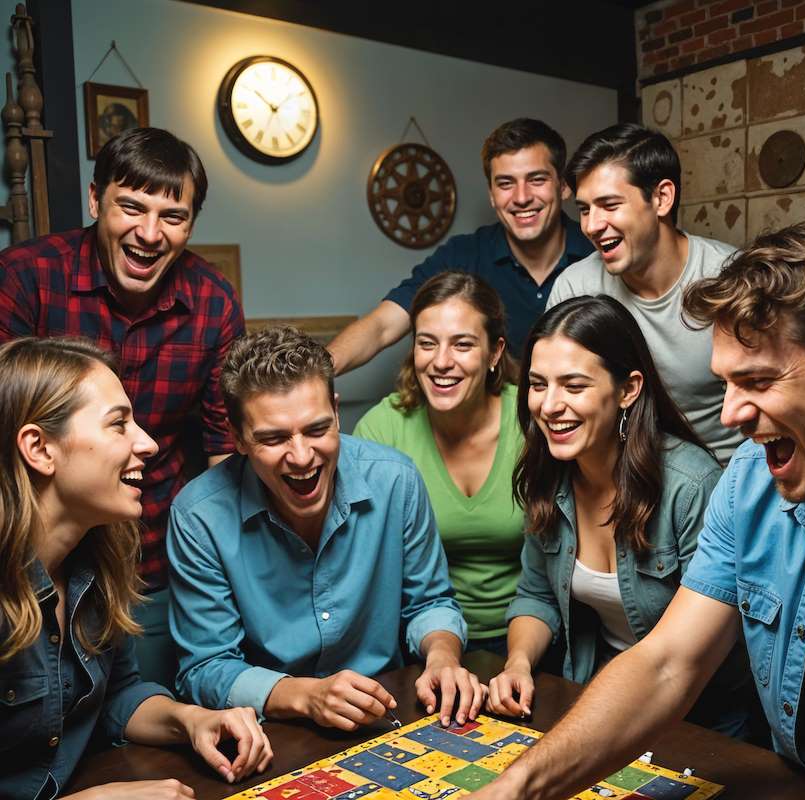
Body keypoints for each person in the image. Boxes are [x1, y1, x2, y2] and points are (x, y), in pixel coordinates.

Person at [466, 221, 805, 800]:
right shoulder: (751, 479)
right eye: (725, 382)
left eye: (758, 381)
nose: (730, 415)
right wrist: (516, 789)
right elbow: (667, 664)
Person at [0, 127, 245, 686]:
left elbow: (220, 453)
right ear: (94, 200)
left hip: (150, 564)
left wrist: (225, 578)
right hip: (21, 563)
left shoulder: (213, 301)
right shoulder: (24, 277)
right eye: (130, 207)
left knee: (133, 710)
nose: (149, 233)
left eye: (173, 216)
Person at [168, 326, 484, 732]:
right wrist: (305, 695)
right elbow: (206, 667)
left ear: (336, 412)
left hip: (388, 710)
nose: (301, 457)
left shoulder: (396, 480)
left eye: (317, 429)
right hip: (270, 730)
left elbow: (429, 603)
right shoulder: (198, 517)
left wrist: (443, 656)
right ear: (238, 438)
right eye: (274, 438)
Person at [0, 337, 271, 800]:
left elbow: (117, 695)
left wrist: (191, 720)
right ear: (40, 448)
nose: (146, 443)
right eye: (118, 425)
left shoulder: (98, 557)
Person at [486, 294, 755, 738]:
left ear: (628, 389)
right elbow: (537, 596)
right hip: (598, 701)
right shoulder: (548, 476)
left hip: (700, 724)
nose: (549, 406)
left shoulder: (692, 487)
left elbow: (698, 653)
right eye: (538, 384)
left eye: (573, 386)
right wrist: (518, 665)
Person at [328, 118, 593, 372]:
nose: (521, 197)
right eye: (505, 183)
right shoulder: (464, 255)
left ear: (563, 187)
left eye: (537, 180)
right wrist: (314, 374)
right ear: (491, 195)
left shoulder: (598, 250)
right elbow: (383, 325)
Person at [547, 123, 743, 464]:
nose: (592, 225)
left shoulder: (730, 279)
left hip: (723, 479)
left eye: (609, 205)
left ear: (661, 198)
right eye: (584, 209)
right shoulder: (575, 288)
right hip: (624, 478)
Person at [354, 272, 524, 655]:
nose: (441, 362)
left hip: (529, 636)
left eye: (462, 344)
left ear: (495, 353)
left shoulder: (531, 420)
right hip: (418, 640)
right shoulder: (381, 431)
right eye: (427, 344)